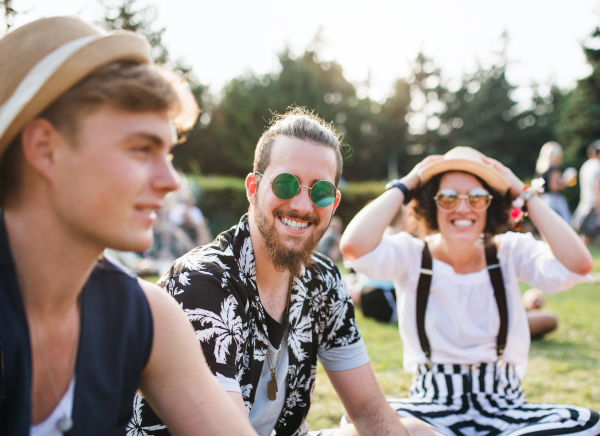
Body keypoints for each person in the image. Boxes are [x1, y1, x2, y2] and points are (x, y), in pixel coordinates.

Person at [0, 17, 257, 436]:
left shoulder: (146, 316)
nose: (171, 181)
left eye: (169, 152)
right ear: (45, 149)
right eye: (142, 149)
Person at [133, 108, 433, 436]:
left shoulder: (325, 282)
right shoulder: (203, 282)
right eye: (286, 184)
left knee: (415, 431)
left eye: (320, 192)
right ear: (252, 188)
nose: (303, 206)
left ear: (333, 204)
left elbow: (368, 409)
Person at [340, 146, 600, 436]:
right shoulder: (412, 255)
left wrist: (524, 192)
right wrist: (408, 182)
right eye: (448, 198)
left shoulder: (510, 251)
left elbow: (579, 264)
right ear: (431, 203)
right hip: (430, 410)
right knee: (360, 427)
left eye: (477, 198)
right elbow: (354, 245)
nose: (463, 208)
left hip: (507, 410)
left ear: (491, 205)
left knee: (588, 423)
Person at [535, 141, 572, 223]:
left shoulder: (541, 169)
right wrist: (565, 182)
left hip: (544, 199)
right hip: (555, 200)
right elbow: (554, 187)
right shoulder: (554, 169)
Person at [573, 141, 600, 246]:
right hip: (594, 204)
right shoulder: (597, 166)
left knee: (584, 232)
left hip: (585, 202)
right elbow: (597, 187)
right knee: (587, 234)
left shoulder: (586, 165)